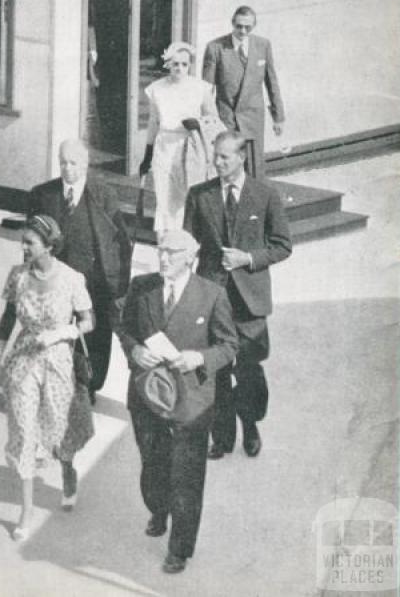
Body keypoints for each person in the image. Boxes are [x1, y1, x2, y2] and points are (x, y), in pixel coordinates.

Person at [119, 228, 238, 575]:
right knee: (153, 464)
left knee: (186, 475)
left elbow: (229, 345)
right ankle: (159, 508)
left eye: (172, 253)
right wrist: (135, 350)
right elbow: (125, 329)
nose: (163, 258)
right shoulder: (142, 287)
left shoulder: (212, 294)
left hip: (192, 400)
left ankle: (180, 548)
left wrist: (199, 359)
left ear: (191, 257)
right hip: (148, 393)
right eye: (160, 251)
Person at [184, 131, 293, 461]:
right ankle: (223, 436)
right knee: (215, 369)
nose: (216, 162)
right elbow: (189, 244)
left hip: (250, 301)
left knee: (248, 370)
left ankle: (251, 427)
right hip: (213, 297)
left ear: (241, 158)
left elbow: (282, 246)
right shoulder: (199, 195)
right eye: (215, 156)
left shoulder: (265, 195)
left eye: (224, 158)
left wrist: (248, 258)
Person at [0, 214, 94, 540]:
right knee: (24, 430)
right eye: (22, 241)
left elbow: (89, 321)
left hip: (59, 360)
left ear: (49, 245)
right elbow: (8, 318)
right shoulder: (18, 276)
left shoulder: (72, 279)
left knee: (58, 427)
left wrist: (61, 333)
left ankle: (67, 470)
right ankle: (27, 510)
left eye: (29, 243)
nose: (23, 247)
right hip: (23, 360)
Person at [26, 139, 133, 403]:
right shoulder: (42, 195)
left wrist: (118, 283)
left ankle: (88, 385)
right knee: (54, 330)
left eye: (73, 163)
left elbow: (119, 240)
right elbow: (31, 242)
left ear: (85, 165)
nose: (67, 168)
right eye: (63, 162)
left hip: (93, 279)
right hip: (57, 279)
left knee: (95, 334)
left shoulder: (103, 194)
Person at [139, 42, 218, 232]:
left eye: (184, 64)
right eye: (175, 64)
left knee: (190, 193)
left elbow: (214, 120)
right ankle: (167, 239)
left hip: (191, 145)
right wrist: (147, 154)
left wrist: (198, 124)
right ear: (168, 64)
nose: (180, 68)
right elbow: (153, 122)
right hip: (164, 146)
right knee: (164, 194)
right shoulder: (156, 89)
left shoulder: (201, 88)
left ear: (189, 65)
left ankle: (190, 238)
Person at [201, 6, 285, 179]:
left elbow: (272, 82)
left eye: (248, 27)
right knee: (226, 165)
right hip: (227, 117)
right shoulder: (215, 48)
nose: (243, 31)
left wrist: (278, 117)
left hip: (253, 118)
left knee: (254, 170)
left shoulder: (263, 45)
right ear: (232, 23)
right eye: (239, 26)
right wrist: (208, 121)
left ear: (253, 26)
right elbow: (206, 89)